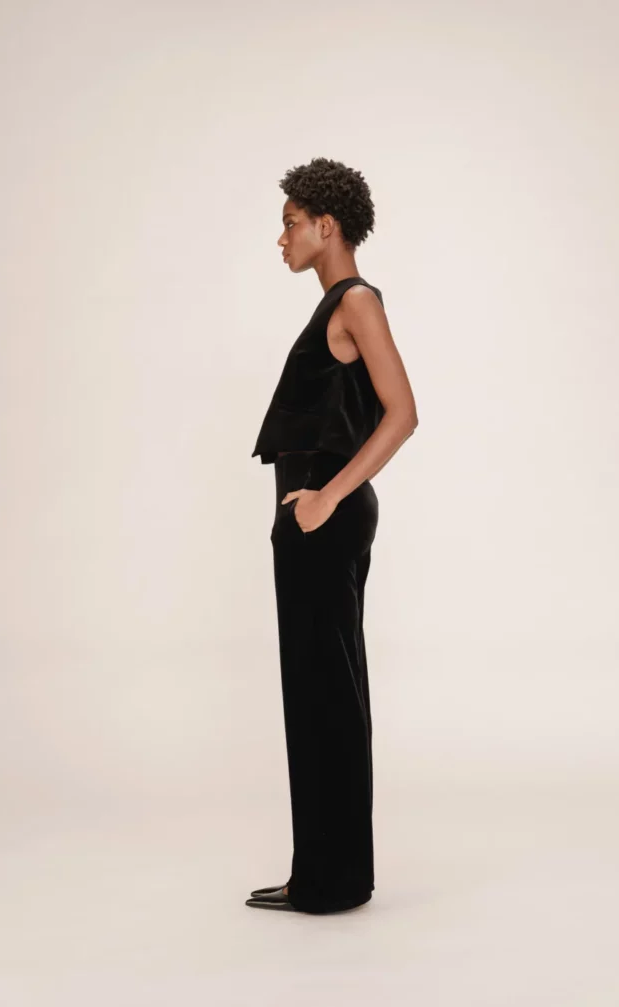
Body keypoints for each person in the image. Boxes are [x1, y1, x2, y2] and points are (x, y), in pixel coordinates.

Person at [247, 157, 418, 914]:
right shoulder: (334, 307)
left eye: (291, 223)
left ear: (327, 225)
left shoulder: (355, 301)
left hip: (325, 515)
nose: (281, 238)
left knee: (325, 694)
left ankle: (331, 881)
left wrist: (325, 499)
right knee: (318, 692)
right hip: (313, 516)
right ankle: (324, 871)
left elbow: (402, 414)